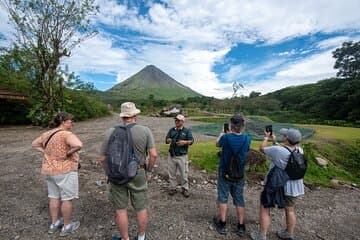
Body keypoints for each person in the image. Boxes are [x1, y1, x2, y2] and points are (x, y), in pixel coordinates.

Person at [98, 102, 157, 240]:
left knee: (120, 209)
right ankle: (141, 237)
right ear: (135, 115)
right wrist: (148, 170)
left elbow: (102, 158)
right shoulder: (145, 130)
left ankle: (125, 238)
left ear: (122, 116)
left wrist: (109, 173)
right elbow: (153, 155)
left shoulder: (110, 131)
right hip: (138, 171)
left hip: (116, 175)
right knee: (140, 207)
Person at [32, 112, 83, 236]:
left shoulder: (47, 133)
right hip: (65, 169)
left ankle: (54, 223)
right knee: (67, 198)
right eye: (71, 121)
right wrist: (68, 154)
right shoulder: (66, 134)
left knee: (53, 196)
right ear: (63, 122)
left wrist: (45, 152)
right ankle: (67, 226)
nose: (73, 123)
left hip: (49, 170)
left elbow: (34, 144)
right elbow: (78, 145)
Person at [250, 128, 305, 240]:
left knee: (265, 207)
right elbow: (286, 151)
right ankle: (289, 234)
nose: (283, 136)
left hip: (276, 185)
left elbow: (262, 148)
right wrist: (274, 141)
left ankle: (262, 235)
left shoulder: (277, 150)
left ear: (287, 138)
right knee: (290, 209)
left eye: (284, 135)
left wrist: (266, 137)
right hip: (293, 187)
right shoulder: (300, 150)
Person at [213, 114, 251, 236]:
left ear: (231, 125)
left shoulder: (226, 138)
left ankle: (223, 224)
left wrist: (222, 133)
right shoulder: (247, 139)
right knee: (239, 199)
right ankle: (241, 226)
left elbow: (217, 144)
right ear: (242, 126)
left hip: (225, 172)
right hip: (239, 173)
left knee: (223, 197)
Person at [165, 114, 194, 198]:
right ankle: (173, 188)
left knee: (184, 174)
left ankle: (185, 189)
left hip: (182, 156)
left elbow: (192, 141)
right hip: (172, 155)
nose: (176, 121)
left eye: (178, 120)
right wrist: (168, 140)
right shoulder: (171, 130)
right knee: (171, 174)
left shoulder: (187, 131)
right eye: (175, 120)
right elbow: (166, 140)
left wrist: (184, 142)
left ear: (182, 121)